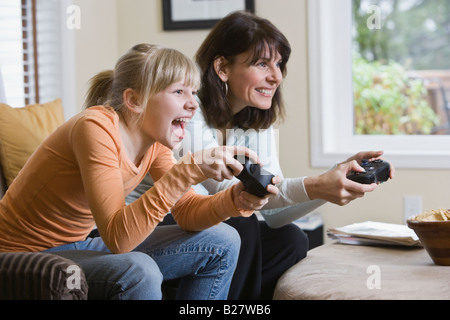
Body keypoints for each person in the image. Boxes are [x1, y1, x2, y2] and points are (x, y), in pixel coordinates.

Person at [127, 13, 395, 299]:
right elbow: (232, 195)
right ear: (222, 67)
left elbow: (274, 212)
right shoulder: (187, 110)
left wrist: (333, 181)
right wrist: (319, 183)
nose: (276, 76)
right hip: (151, 227)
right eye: (262, 63)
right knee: (240, 221)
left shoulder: (254, 122)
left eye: (278, 64)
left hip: (202, 228)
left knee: (290, 239)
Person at [0, 43, 276, 300]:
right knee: (138, 269)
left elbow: (187, 212)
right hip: (21, 258)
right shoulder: (95, 127)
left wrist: (233, 201)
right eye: (179, 92)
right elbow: (118, 238)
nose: (193, 104)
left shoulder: (153, 141)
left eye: (194, 92)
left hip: (75, 247)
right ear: (134, 100)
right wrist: (185, 173)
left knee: (224, 239)